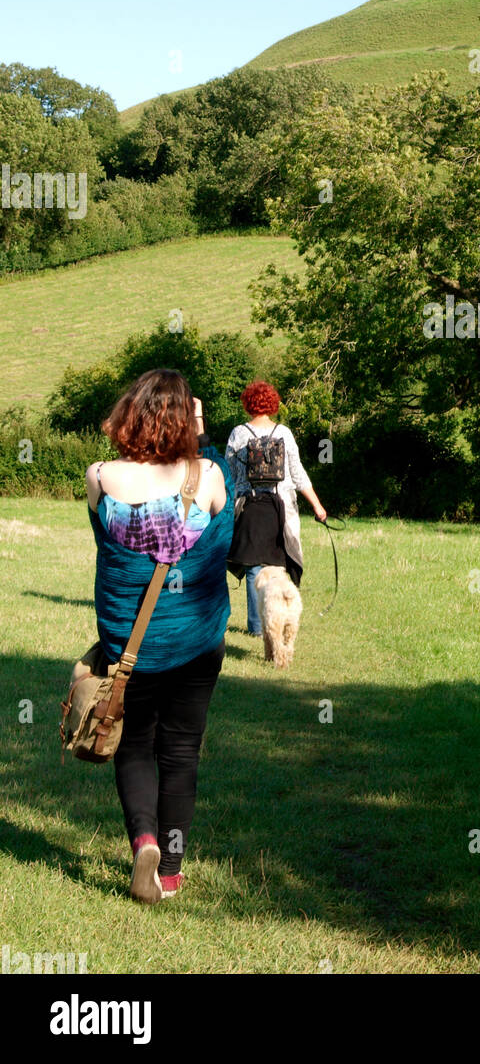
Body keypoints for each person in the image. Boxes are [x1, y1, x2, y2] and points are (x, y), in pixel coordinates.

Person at [85, 369, 232, 904]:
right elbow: (224, 543)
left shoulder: (100, 475)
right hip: (197, 641)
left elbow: (109, 550)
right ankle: (169, 871)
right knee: (181, 750)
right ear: (185, 419)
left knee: (135, 746)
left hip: (130, 645)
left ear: (131, 413)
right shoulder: (211, 476)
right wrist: (199, 432)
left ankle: (143, 840)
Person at [225, 381, 326, 636]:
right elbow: (298, 474)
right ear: (272, 404)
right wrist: (317, 506)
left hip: (249, 506)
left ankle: (257, 627)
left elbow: (231, 473)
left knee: (253, 568)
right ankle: (280, 619)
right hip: (281, 508)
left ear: (248, 404)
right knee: (278, 566)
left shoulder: (239, 433)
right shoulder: (285, 433)